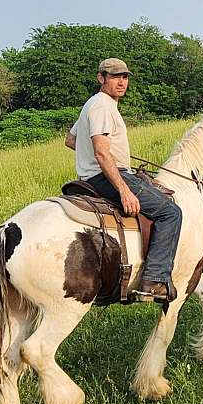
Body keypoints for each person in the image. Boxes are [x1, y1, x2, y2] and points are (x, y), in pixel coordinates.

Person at [65, 58, 182, 302]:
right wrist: (124, 191)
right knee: (170, 212)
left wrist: (105, 150)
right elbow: (100, 152)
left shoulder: (93, 104)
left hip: (93, 176)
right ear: (101, 78)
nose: (121, 82)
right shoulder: (103, 107)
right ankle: (154, 280)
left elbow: (70, 139)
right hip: (106, 176)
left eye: (125, 77)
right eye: (115, 76)